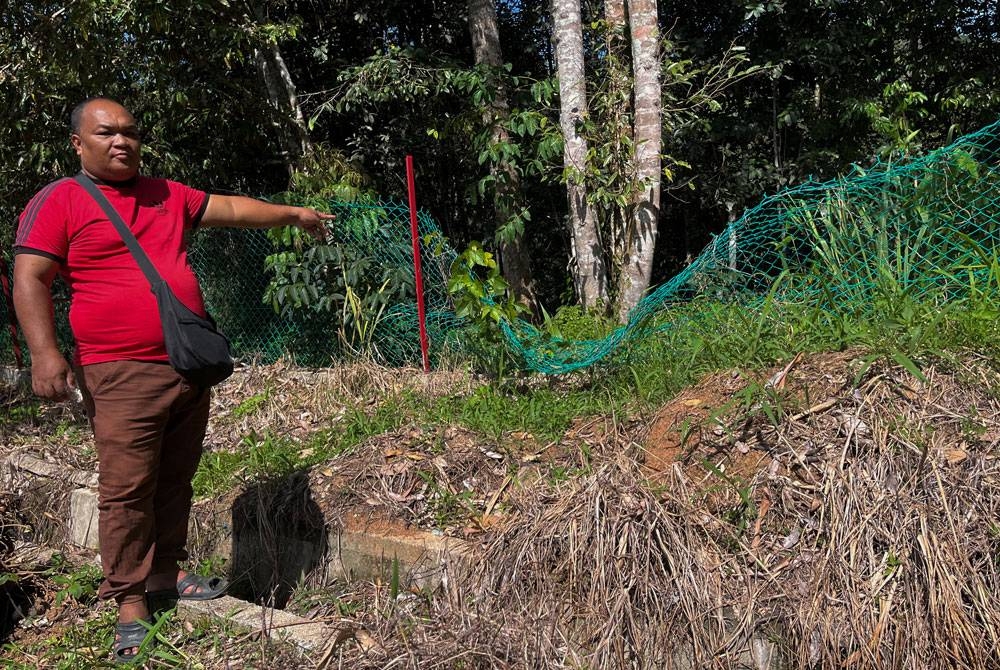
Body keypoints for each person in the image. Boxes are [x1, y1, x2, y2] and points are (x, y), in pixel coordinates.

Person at [12, 97, 333, 663]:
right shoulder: (60, 199)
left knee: (175, 477)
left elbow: (229, 209)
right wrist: (45, 354)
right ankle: (129, 600)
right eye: (106, 133)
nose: (122, 141)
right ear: (78, 144)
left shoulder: (165, 193)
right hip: (118, 369)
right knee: (127, 488)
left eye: (130, 132)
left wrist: (292, 214)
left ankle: (164, 572)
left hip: (185, 363)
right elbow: (30, 277)